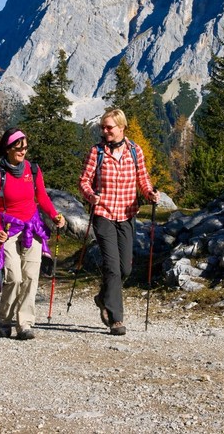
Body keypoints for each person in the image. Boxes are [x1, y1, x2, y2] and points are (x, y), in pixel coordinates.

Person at [78, 108, 158, 336]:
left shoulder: (135, 151)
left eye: (109, 127)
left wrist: (150, 193)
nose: (105, 131)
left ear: (121, 127)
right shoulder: (97, 152)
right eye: (102, 128)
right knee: (112, 267)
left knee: (125, 268)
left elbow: (143, 179)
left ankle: (103, 297)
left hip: (127, 214)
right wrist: (90, 195)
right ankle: (116, 318)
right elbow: (84, 180)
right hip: (103, 214)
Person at [0, 127, 66, 340]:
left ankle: (25, 324)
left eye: (25, 147)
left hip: (32, 226)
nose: (23, 151)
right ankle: (5, 319)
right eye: (18, 147)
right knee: (13, 276)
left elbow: (42, 196)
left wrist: (55, 215)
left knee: (30, 276)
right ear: (7, 148)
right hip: (9, 229)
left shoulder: (33, 170)